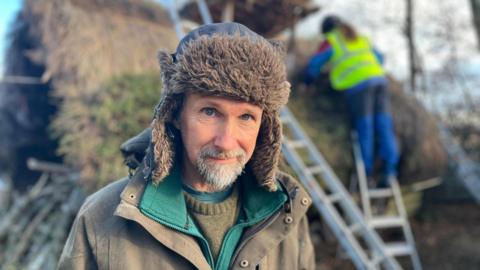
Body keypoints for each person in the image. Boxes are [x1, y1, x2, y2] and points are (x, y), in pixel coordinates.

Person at [58, 22, 315, 270]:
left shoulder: (287, 215)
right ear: (176, 114)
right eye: (210, 112)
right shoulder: (101, 220)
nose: (226, 141)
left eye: (246, 117)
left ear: (264, 125)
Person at [304, 15, 399, 187]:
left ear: (326, 31)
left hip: (358, 88)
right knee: (385, 127)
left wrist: (308, 81)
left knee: (365, 130)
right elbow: (380, 58)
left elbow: (315, 63)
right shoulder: (361, 37)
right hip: (379, 81)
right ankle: (390, 172)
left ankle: (367, 174)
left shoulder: (331, 40)